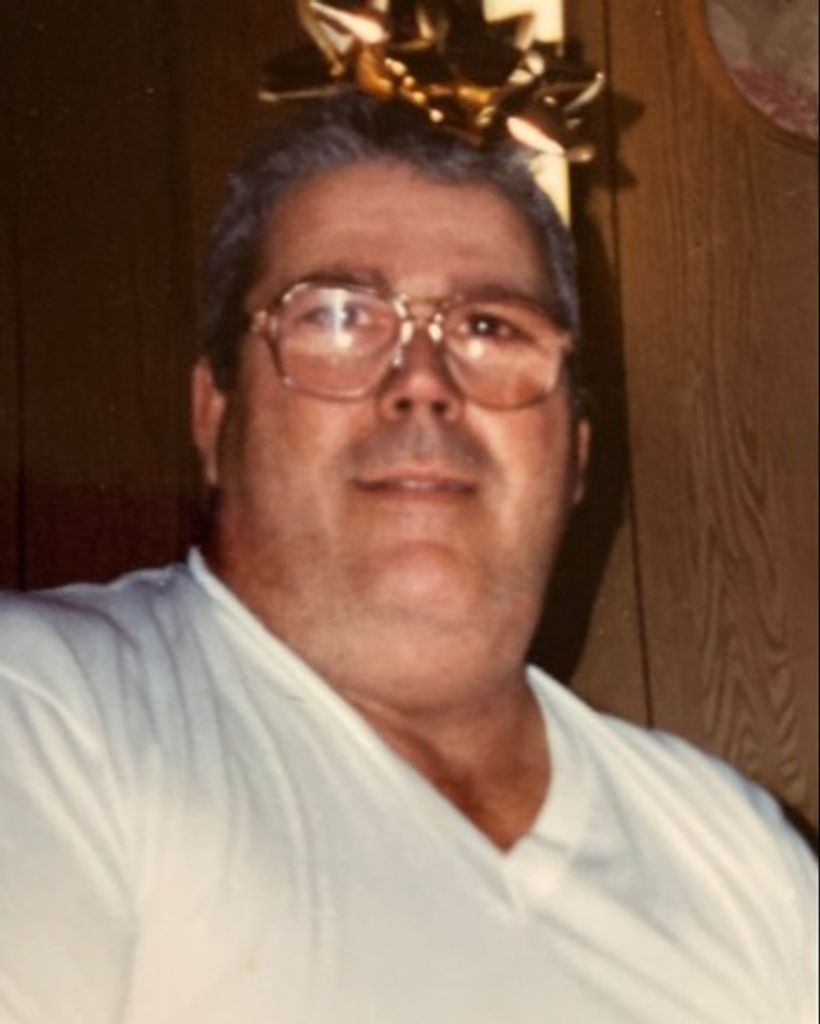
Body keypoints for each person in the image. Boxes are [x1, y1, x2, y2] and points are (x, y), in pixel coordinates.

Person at [0, 94, 816, 1024]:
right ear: (215, 416)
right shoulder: (46, 713)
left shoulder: (735, 853)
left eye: (491, 328)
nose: (423, 384)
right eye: (338, 318)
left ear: (578, 453)